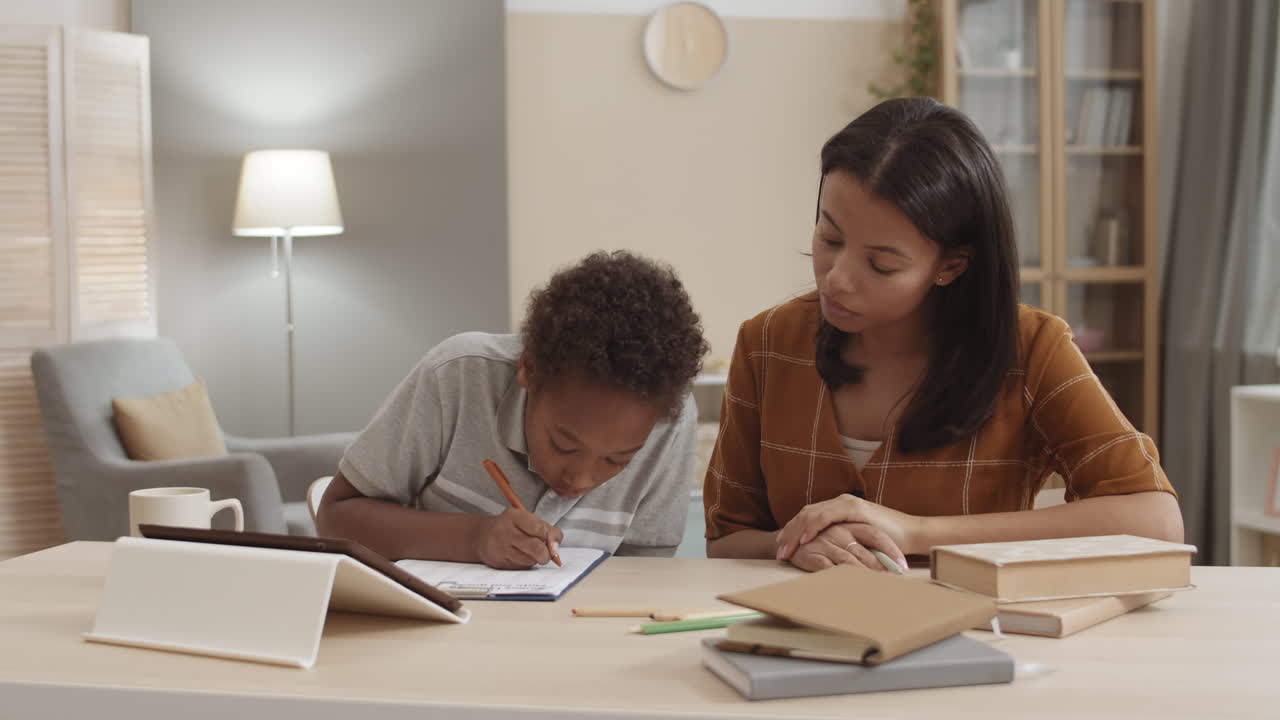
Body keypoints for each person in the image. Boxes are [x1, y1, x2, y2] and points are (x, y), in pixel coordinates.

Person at [704, 97, 1183, 573]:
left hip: (976, 633)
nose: (836, 279)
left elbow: (1156, 522)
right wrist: (789, 545)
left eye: (882, 264)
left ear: (951, 266)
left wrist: (917, 533)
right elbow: (726, 538)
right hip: (797, 633)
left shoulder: (1032, 350)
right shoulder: (768, 343)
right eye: (829, 239)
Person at [318, 250, 709, 568]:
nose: (580, 478)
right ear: (529, 368)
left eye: (617, 460)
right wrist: (475, 539)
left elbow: (646, 574)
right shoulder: (458, 375)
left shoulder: (670, 422)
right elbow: (336, 519)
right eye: (564, 445)